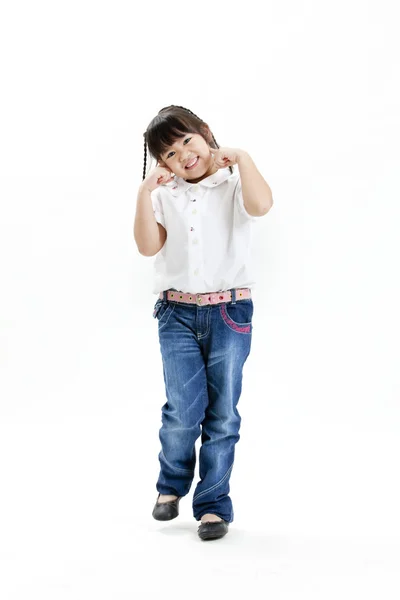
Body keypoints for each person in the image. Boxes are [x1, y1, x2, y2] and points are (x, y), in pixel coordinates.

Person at [133, 105, 273, 541]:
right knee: (182, 408)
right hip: (176, 312)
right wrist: (143, 194)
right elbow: (147, 246)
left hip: (229, 311)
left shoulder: (232, 184)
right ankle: (170, 486)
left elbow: (262, 205)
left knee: (222, 413)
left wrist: (244, 158)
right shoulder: (163, 193)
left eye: (187, 142)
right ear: (162, 164)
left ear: (205, 134)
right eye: (170, 154)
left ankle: (212, 504)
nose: (183, 156)